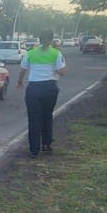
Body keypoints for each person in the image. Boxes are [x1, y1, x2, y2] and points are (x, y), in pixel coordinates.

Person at [17, 29, 66, 159]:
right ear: (51, 39)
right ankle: (46, 143)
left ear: (39, 39)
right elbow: (61, 72)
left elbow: (23, 69)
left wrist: (20, 81)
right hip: (50, 88)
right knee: (47, 115)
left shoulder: (30, 53)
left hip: (33, 88)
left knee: (34, 119)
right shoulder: (56, 53)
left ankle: (34, 150)